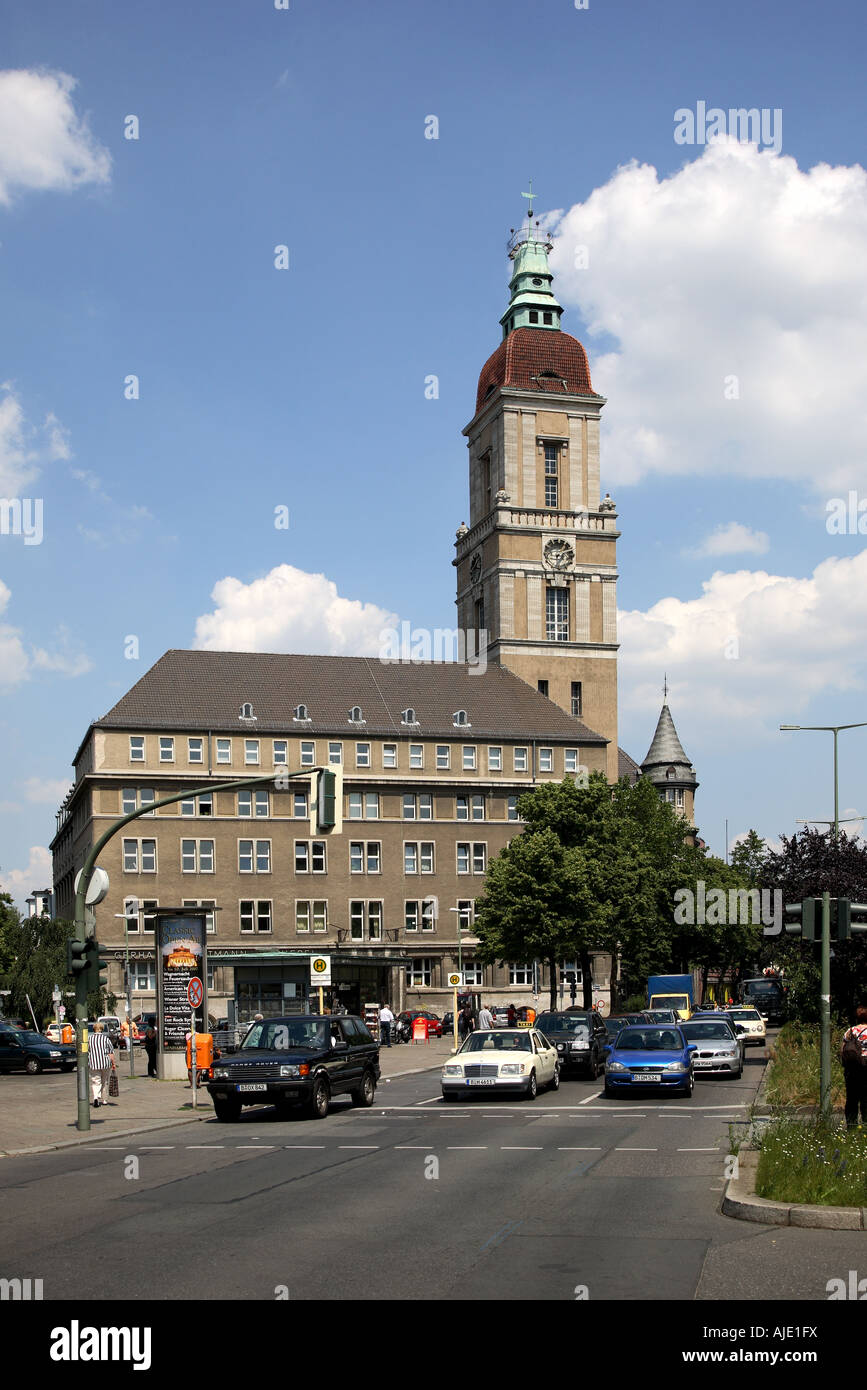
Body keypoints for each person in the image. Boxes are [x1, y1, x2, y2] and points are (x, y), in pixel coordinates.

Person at [841, 1005, 867, 1129]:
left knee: (852, 1099)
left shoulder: (850, 1031)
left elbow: (842, 1051)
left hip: (852, 1069)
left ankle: (851, 1126)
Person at [88, 1021, 116, 1107]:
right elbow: (111, 1052)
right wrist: (113, 1063)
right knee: (105, 1081)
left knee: (95, 1081)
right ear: (102, 1029)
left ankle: (96, 1097)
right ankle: (104, 1100)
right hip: (105, 1063)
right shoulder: (106, 1039)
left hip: (93, 1063)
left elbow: (86, 1051)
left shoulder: (89, 1039)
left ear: (94, 1029)